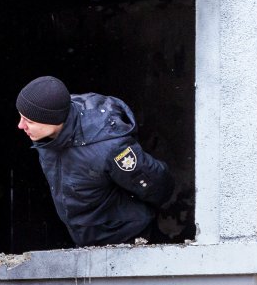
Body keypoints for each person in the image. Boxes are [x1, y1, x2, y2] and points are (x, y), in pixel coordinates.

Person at [16, 75, 175, 246]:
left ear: (54, 120)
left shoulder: (109, 146)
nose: (20, 125)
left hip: (127, 238)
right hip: (84, 239)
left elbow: (158, 186)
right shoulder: (47, 134)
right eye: (21, 116)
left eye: (29, 121)